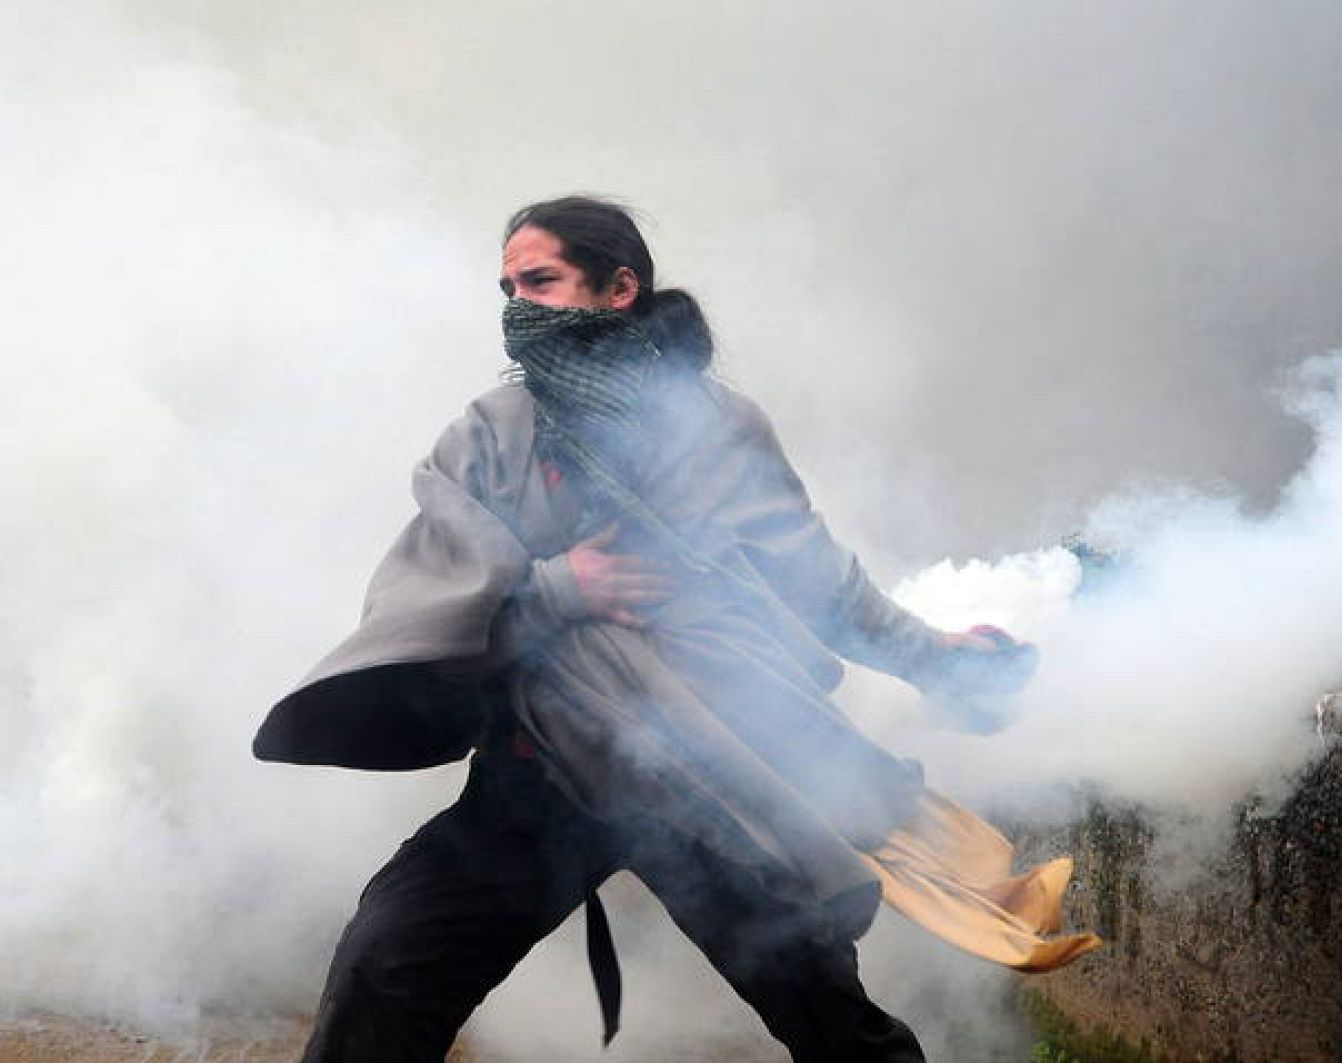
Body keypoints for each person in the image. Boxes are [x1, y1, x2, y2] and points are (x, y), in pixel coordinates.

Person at [254, 196, 1097, 1063]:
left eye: (540, 280)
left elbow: (817, 579)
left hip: (704, 775)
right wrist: (557, 589)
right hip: (539, 775)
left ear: (619, 287)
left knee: (830, 1019)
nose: (517, 305)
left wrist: (935, 656)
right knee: (384, 968)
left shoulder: (717, 426)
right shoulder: (492, 431)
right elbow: (431, 589)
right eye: (506, 285)